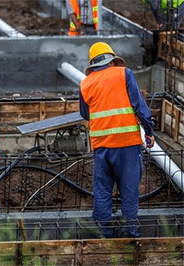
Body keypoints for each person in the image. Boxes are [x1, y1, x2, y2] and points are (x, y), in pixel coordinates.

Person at [79, 42, 155, 238]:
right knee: (129, 192)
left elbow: (85, 114)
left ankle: (103, 234)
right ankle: (130, 234)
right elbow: (140, 106)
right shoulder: (124, 73)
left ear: (93, 65)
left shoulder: (86, 83)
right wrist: (148, 130)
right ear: (111, 60)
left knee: (102, 191)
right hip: (126, 145)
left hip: (101, 147)